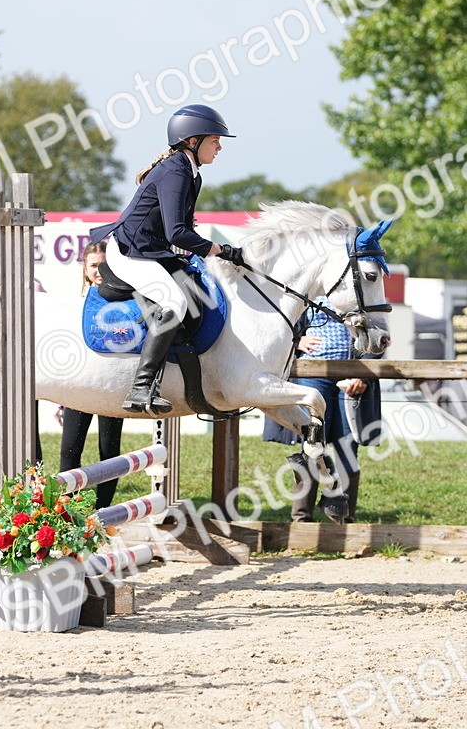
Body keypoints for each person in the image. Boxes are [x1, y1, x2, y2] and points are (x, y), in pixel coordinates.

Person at [88, 104, 244, 415]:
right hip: (132, 253)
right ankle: (142, 386)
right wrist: (219, 249)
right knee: (175, 302)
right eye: (215, 140)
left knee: (196, 292)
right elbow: (176, 233)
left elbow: (180, 230)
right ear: (192, 141)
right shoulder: (176, 171)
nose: (220, 146)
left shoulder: (190, 172)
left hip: (151, 250)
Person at [264, 297, 382, 523]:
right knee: (312, 443)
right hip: (312, 373)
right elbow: (278, 325)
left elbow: (379, 336)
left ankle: (343, 519)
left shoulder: (359, 291)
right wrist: (297, 341)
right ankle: (301, 518)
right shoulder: (307, 288)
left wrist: (362, 373)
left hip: (350, 374)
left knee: (348, 444)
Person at [58, 241, 125, 508]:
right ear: (85, 269)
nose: (99, 270)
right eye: (94, 265)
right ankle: (67, 511)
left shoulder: (126, 302)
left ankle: (103, 511)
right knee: (69, 450)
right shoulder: (74, 303)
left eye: (105, 265)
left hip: (111, 385)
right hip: (78, 386)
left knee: (109, 451)